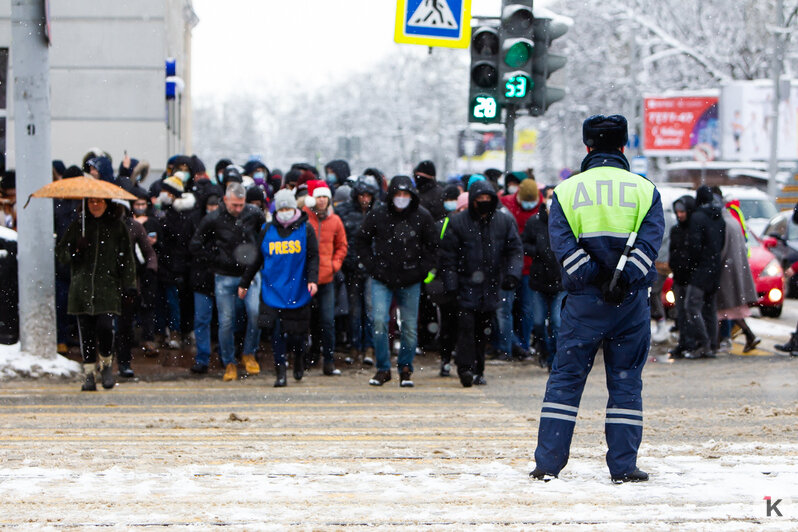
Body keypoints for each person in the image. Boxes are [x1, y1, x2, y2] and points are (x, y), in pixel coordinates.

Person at [531, 114, 664, 483]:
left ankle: (548, 464)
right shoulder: (644, 189)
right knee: (625, 384)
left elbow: (562, 244)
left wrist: (593, 275)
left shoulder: (568, 191)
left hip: (583, 304)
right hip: (630, 303)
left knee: (565, 382)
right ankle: (623, 467)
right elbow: (651, 242)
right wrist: (624, 278)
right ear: (623, 147)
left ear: (587, 147)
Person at [355, 175, 438, 387]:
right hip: (382, 277)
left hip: (411, 278)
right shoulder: (379, 214)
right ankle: (383, 368)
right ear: (391, 195)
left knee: (409, 326)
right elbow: (362, 240)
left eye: (405, 195)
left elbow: (433, 247)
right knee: (380, 322)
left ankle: (406, 366)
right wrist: (373, 266)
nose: (401, 198)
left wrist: (420, 270)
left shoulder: (422, 216)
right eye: (398, 194)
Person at [439, 180, 523, 387]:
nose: (484, 202)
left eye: (487, 199)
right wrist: (451, 284)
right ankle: (466, 369)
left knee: (483, 330)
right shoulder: (458, 223)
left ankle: (479, 369)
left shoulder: (503, 222)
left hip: (491, 286)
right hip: (465, 285)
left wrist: (512, 274)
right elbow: (447, 256)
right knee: (466, 329)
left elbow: (514, 250)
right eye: (480, 199)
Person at [239, 190, 319, 387]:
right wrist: (245, 282)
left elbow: (313, 257)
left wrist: (312, 279)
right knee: (277, 333)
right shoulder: (267, 230)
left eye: (288, 208)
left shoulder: (306, 229)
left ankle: (299, 359)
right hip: (273, 289)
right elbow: (257, 258)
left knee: (297, 334)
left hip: (297, 289)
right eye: (281, 208)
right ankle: (280, 371)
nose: (284, 212)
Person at [56, 197, 137, 391]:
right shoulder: (79, 225)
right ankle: (89, 373)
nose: (95, 205)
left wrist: (130, 284)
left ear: (107, 203)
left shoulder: (117, 227)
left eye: (99, 201)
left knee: (105, 326)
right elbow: (61, 252)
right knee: (86, 332)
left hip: (107, 287)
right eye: (91, 201)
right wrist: (76, 252)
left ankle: (107, 364)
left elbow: (127, 257)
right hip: (81, 288)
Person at [189, 182, 266, 381]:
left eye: (241, 205)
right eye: (234, 205)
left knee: (255, 313)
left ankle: (249, 352)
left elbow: (262, 235)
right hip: (224, 275)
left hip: (249, 273)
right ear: (225, 201)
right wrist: (215, 258)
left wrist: (257, 255)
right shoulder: (213, 219)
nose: (238, 209)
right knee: (225, 321)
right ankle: (229, 361)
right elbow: (195, 244)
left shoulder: (253, 214)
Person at [303, 180, 348, 375]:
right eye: (319, 197)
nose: (322, 201)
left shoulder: (335, 221)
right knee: (306, 320)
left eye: (325, 197)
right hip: (306, 278)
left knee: (327, 320)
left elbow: (342, 245)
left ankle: (328, 360)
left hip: (327, 278)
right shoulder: (304, 219)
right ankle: (307, 357)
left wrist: (334, 264)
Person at [337, 175, 382, 366]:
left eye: (368, 195)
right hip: (352, 268)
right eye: (362, 195)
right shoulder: (345, 213)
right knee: (354, 310)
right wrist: (349, 262)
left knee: (371, 310)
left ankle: (369, 347)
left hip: (372, 269)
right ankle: (355, 346)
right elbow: (343, 241)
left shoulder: (379, 212)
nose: (365, 199)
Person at [498, 176, 540, 360]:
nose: (529, 205)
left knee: (527, 310)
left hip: (530, 269)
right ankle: (509, 345)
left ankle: (522, 345)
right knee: (505, 309)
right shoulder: (505, 205)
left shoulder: (541, 209)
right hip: (508, 267)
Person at [682, 185, 725, 359]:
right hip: (716, 268)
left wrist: (693, 263)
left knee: (691, 306)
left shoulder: (697, 217)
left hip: (701, 270)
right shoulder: (719, 216)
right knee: (709, 308)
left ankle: (703, 343)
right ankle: (713, 344)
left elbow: (694, 246)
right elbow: (721, 243)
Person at [522, 197, 565, 371]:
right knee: (539, 322)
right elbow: (524, 243)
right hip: (539, 280)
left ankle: (554, 357)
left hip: (560, 281)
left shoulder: (565, 222)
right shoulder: (534, 222)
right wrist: (538, 252)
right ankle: (544, 351)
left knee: (557, 322)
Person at [715, 189, 760, 353]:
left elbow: (722, 249)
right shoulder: (734, 219)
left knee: (725, 309)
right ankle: (737, 338)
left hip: (727, 271)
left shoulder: (725, 222)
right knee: (731, 309)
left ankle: (726, 340)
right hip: (735, 268)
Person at [667, 195, 696, 359]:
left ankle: (689, 342)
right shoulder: (677, 230)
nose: (679, 215)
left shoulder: (690, 230)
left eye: (682, 212)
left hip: (688, 277)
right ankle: (685, 342)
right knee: (681, 313)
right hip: (680, 276)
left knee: (688, 312)